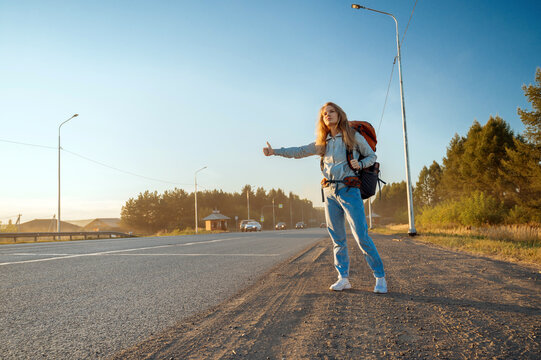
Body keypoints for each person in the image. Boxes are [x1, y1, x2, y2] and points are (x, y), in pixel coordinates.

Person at [263, 102, 387, 293]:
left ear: (339, 114)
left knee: (361, 236)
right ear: (322, 120)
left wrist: (360, 164)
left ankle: (380, 277)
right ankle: (343, 278)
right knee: (337, 238)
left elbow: (372, 156)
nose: (327, 115)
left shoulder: (352, 137)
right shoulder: (323, 142)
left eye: (331, 111)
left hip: (349, 189)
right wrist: (275, 152)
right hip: (329, 192)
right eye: (324, 114)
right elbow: (299, 151)